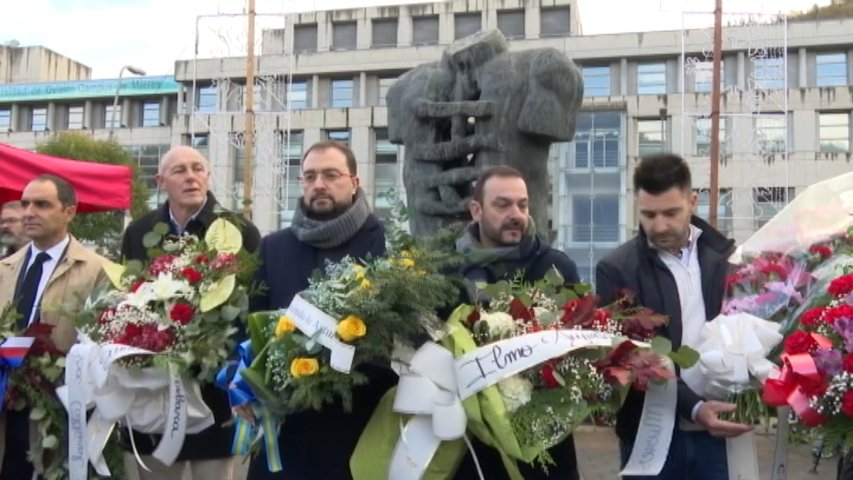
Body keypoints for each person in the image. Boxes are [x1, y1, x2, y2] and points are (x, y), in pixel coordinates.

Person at [595, 154, 752, 480]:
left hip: (720, 438)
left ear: (692, 202)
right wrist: (695, 407)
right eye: (649, 214)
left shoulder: (726, 260)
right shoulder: (615, 269)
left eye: (671, 212)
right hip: (650, 438)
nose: (660, 225)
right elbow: (631, 355)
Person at [248, 140, 388, 480]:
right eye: (310, 176)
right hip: (288, 431)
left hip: (359, 428)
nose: (319, 184)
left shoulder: (384, 245)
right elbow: (252, 325)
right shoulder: (273, 247)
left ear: (354, 183)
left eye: (331, 174)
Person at [120, 145, 261, 480]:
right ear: (161, 181)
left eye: (198, 168)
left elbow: (252, 308)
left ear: (208, 176)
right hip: (154, 392)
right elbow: (130, 297)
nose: (191, 177)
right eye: (180, 171)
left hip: (215, 393)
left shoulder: (239, 231)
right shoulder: (138, 233)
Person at [452, 165, 581, 480]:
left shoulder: (555, 266)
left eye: (522, 205)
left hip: (543, 444)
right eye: (503, 205)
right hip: (469, 446)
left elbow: (580, 344)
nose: (516, 214)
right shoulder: (449, 270)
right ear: (476, 210)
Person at [0, 174, 109, 479]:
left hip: (64, 407)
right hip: (8, 406)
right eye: (25, 204)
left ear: (69, 212)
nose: (29, 212)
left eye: (42, 204)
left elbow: (102, 342)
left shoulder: (97, 270)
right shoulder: (5, 269)